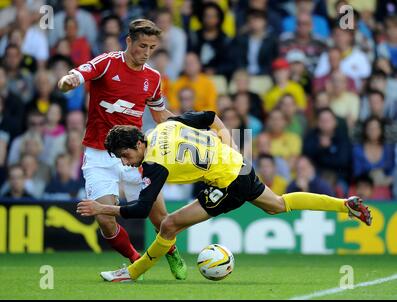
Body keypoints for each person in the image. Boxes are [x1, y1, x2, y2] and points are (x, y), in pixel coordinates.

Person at [76, 111, 372, 282]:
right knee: (279, 205)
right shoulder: (164, 126)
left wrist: (102, 207)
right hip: (239, 164)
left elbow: (141, 209)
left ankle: (132, 273)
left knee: (168, 226)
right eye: (121, 159)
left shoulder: (155, 164)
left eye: (126, 156)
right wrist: (230, 145)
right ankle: (345, 205)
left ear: (139, 143)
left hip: (229, 183)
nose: (126, 163)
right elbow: (212, 117)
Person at [58, 18, 186, 280]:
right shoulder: (107, 63)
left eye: (152, 47)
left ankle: (171, 252)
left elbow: (160, 114)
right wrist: (67, 81)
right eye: (142, 46)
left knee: (160, 216)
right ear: (128, 41)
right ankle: (135, 260)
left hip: (136, 155)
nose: (146, 53)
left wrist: (187, 129)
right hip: (98, 154)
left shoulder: (153, 77)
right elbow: (77, 74)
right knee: (105, 220)